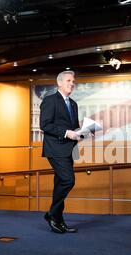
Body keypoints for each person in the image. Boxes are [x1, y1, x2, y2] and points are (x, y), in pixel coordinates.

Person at [40, 70, 81, 234]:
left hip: (69, 149)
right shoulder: (50, 100)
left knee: (60, 184)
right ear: (59, 83)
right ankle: (51, 214)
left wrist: (82, 131)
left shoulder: (73, 104)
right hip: (55, 149)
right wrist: (66, 133)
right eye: (68, 81)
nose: (72, 84)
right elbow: (45, 125)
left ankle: (58, 220)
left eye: (73, 81)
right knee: (68, 181)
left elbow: (74, 127)